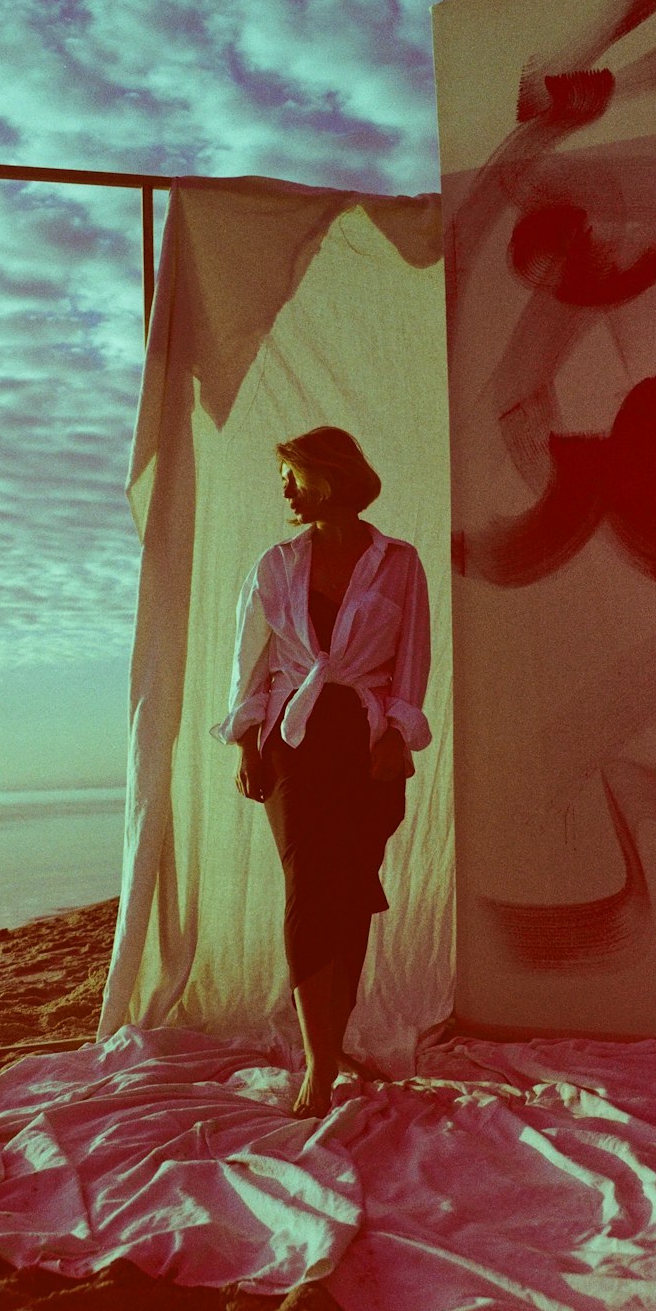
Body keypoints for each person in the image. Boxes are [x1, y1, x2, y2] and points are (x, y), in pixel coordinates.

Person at [211, 426, 432, 1119]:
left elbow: (411, 660)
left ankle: (331, 1049)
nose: (283, 488)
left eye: (292, 475)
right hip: (293, 738)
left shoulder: (398, 562)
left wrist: (396, 735)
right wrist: (247, 743)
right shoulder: (274, 565)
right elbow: (250, 663)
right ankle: (317, 1067)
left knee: (349, 893)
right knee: (309, 884)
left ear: (326, 479)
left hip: (365, 739)